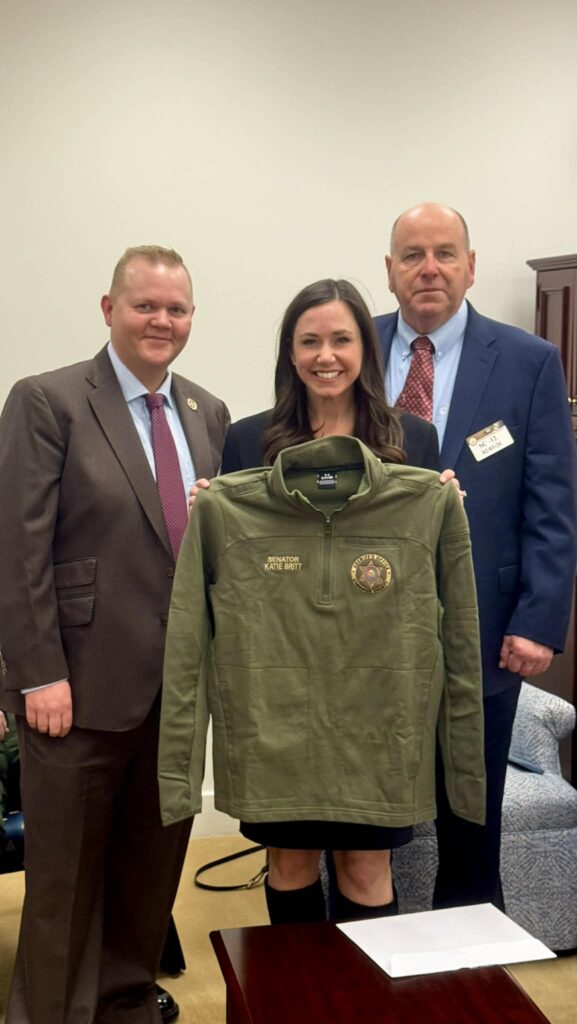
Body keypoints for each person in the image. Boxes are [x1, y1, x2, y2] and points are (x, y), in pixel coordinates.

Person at [179, 278, 479, 925]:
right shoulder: (248, 440)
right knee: (288, 860)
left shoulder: (414, 438)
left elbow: (429, 563)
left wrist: (445, 507)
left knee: (366, 865)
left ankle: (360, 987)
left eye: (341, 339)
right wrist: (209, 507)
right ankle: (295, 985)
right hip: (277, 706)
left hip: (377, 704)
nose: (325, 355)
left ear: (365, 349)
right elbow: (236, 560)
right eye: (309, 341)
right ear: (290, 353)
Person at [0, 245, 229, 1024]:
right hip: (75, 690)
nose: (162, 320)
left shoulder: (207, 413)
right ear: (109, 309)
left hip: (177, 693)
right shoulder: (49, 401)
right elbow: (18, 548)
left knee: (148, 872)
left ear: (191, 318)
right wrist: (38, 673)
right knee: (63, 885)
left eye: (177, 308)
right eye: (145, 305)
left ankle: (125, 1002)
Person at [374, 202, 577, 910]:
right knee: (366, 812)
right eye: (412, 255)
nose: (428, 269)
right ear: (390, 270)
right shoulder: (351, 347)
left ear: (469, 265)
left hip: (485, 628)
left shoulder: (528, 361)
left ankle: (465, 953)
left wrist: (538, 620)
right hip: (366, 628)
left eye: (444, 253)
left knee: (470, 814)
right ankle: (368, 950)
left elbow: (552, 503)